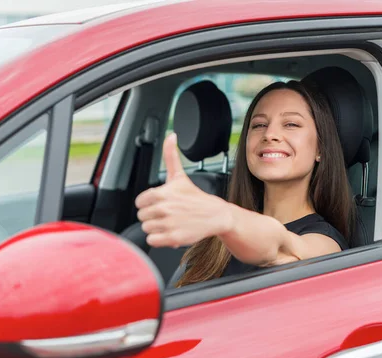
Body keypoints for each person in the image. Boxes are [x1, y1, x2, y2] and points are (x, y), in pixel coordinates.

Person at [134, 80, 355, 288]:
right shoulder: (215, 239)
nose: (270, 134)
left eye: (290, 124)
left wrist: (224, 216)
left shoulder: (325, 242)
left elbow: (280, 248)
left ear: (320, 149)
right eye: (259, 124)